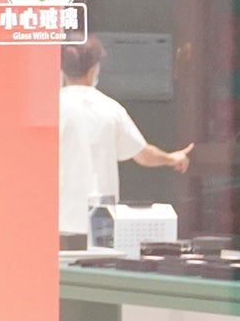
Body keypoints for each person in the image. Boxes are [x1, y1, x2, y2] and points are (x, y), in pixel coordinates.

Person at [59, 36, 192, 244]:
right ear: (94, 69)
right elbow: (143, 154)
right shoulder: (110, 110)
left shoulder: (49, 108)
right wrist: (171, 158)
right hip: (99, 222)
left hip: (55, 221)